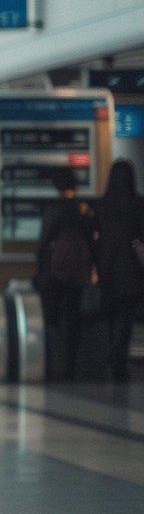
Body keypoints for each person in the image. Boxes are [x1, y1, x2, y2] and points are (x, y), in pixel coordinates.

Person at [34, 169, 96, 381]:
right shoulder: (83, 208)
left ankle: (51, 365)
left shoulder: (53, 208)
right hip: (78, 272)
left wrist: (41, 270)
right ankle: (70, 366)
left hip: (55, 272)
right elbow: (92, 241)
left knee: (52, 317)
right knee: (73, 317)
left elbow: (44, 243)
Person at [93, 160, 143, 382]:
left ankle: (113, 355)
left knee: (112, 316)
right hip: (131, 268)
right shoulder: (137, 204)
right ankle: (119, 359)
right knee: (126, 317)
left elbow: (96, 239)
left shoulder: (102, 205)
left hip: (108, 267)